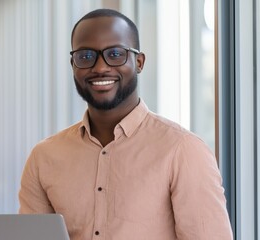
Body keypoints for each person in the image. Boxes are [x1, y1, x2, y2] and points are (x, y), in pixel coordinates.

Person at [18, 8, 233, 240]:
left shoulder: (183, 150)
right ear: (73, 65)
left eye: (116, 54)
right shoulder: (44, 157)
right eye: (86, 56)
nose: (100, 68)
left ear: (139, 62)